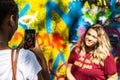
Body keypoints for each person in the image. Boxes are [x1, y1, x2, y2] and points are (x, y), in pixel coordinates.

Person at [0, 0, 50, 80]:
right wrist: (41, 58)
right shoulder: (25, 58)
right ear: (11, 19)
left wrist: (17, 51)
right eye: (17, 19)